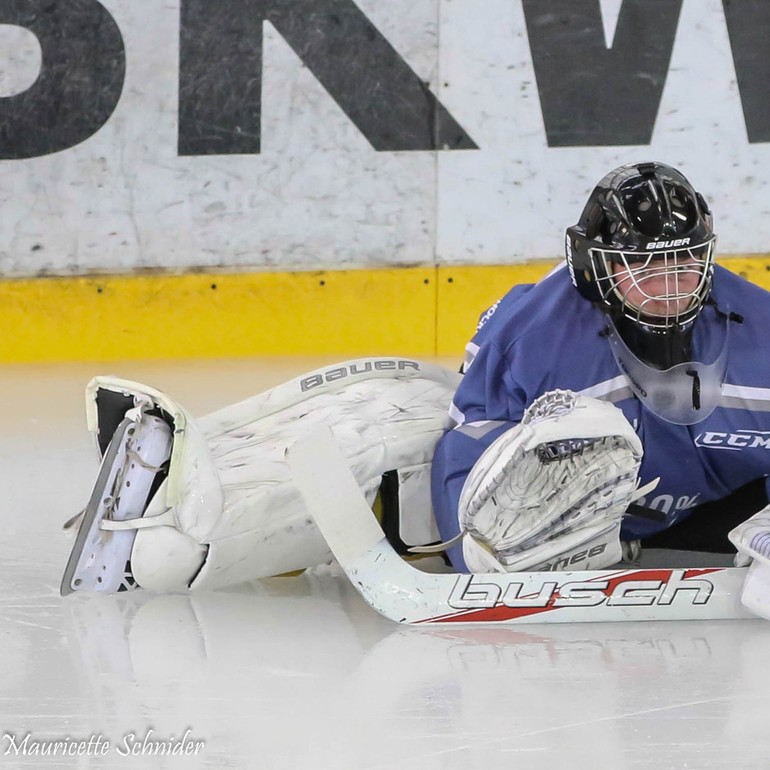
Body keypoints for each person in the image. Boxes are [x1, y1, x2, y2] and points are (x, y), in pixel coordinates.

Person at [430, 161, 770, 574]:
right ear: (596, 265)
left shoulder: (761, 328)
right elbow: (466, 447)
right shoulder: (527, 341)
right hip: (578, 526)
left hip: (711, 510)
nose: (666, 288)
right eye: (642, 267)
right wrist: (475, 562)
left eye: (684, 261)